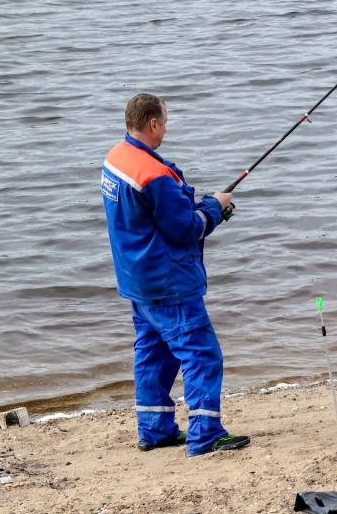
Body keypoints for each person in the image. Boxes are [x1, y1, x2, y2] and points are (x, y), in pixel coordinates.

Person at [101, 93, 249, 456]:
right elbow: (184, 229)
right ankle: (206, 434)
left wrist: (199, 209)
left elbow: (149, 219)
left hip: (136, 279)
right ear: (153, 124)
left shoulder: (116, 158)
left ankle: (155, 431)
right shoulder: (154, 174)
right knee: (202, 354)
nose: (166, 128)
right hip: (169, 282)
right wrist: (215, 207)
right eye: (165, 122)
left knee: (153, 354)